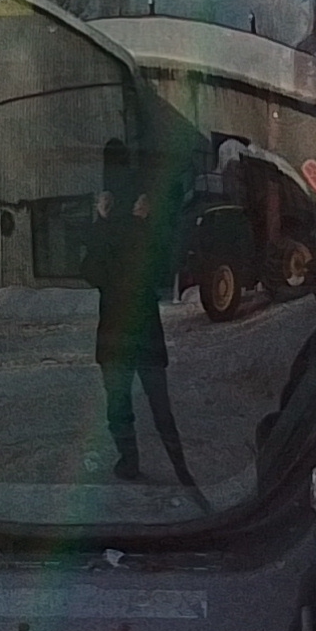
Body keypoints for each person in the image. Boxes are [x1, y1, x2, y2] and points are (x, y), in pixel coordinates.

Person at [91, 135, 196, 488]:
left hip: (121, 333)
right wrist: (120, 223)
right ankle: (164, 466)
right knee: (142, 407)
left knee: (130, 408)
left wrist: (116, 224)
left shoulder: (133, 220)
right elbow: (97, 271)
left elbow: (146, 271)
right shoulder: (133, 219)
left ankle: (145, 464)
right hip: (138, 333)